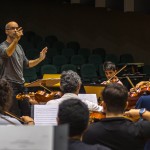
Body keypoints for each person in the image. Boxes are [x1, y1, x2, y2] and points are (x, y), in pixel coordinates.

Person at [0, 21, 47, 117]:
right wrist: (16, 39)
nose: (15, 30)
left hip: (21, 85)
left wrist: (40, 59)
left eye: (17, 28)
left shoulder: (19, 47)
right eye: (12, 28)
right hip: (9, 85)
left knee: (27, 112)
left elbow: (27, 64)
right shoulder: (2, 46)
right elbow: (7, 53)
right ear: (6, 31)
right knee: (13, 114)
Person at [82, 83, 150, 150]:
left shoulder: (89, 131)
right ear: (126, 104)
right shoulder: (140, 129)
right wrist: (142, 112)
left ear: (103, 105)